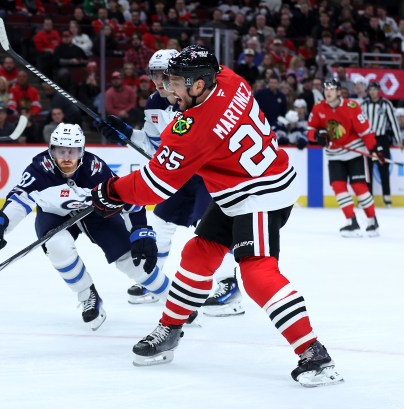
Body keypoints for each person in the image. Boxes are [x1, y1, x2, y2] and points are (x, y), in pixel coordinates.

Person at [91, 45, 343, 387]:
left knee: (256, 272)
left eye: (177, 83)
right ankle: (171, 328)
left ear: (198, 85)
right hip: (242, 187)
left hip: (260, 194)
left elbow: (155, 185)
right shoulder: (228, 78)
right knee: (197, 255)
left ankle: (314, 353)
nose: (168, 90)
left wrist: (111, 192)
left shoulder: (196, 128)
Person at [0, 123, 170, 331]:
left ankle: (176, 301)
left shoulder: (95, 169)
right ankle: (88, 295)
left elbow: (127, 200)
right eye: (61, 151)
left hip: (95, 213)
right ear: (51, 151)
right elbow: (19, 200)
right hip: (54, 214)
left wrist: (140, 230)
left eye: (73, 151)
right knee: (57, 246)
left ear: (83, 150)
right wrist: (1, 223)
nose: (67, 158)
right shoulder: (39, 168)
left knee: (131, 261)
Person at [101, 49, 244, 316]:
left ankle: (229, 285)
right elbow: (155, 147)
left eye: (164, 75)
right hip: (180, 175)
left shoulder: (199, 99)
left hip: (206, 174)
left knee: (209, 229)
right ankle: (155, 281)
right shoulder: (155, 103)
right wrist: (128, 134)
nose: (158, 82)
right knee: (160, 225)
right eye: (154, 75)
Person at [307, 79, 382, 237]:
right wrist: (317, 136)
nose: (329, 92)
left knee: (359, 187)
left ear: (339, 92)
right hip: (333, 154)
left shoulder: (351, 106)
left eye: (332, 89)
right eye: (326, 89)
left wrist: (374, 148)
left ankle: (372, 220)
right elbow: (311, 129)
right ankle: (351, 221)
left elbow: (365, 131)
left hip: (354, 151)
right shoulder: (318, 107)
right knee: (338, 187)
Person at [361, 82, 401, 208]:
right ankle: (368, 198)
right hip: (367, 138)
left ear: (378, 91)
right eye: (370, 90)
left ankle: (387, 197)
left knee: (384, 167)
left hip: (382, 139)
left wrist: (398, 140)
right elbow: (359, 123)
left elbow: (393, 122)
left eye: (375, 89)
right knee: (367, 170)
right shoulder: (364, 105)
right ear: (368, 91)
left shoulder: (386, 104)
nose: (373, 92)